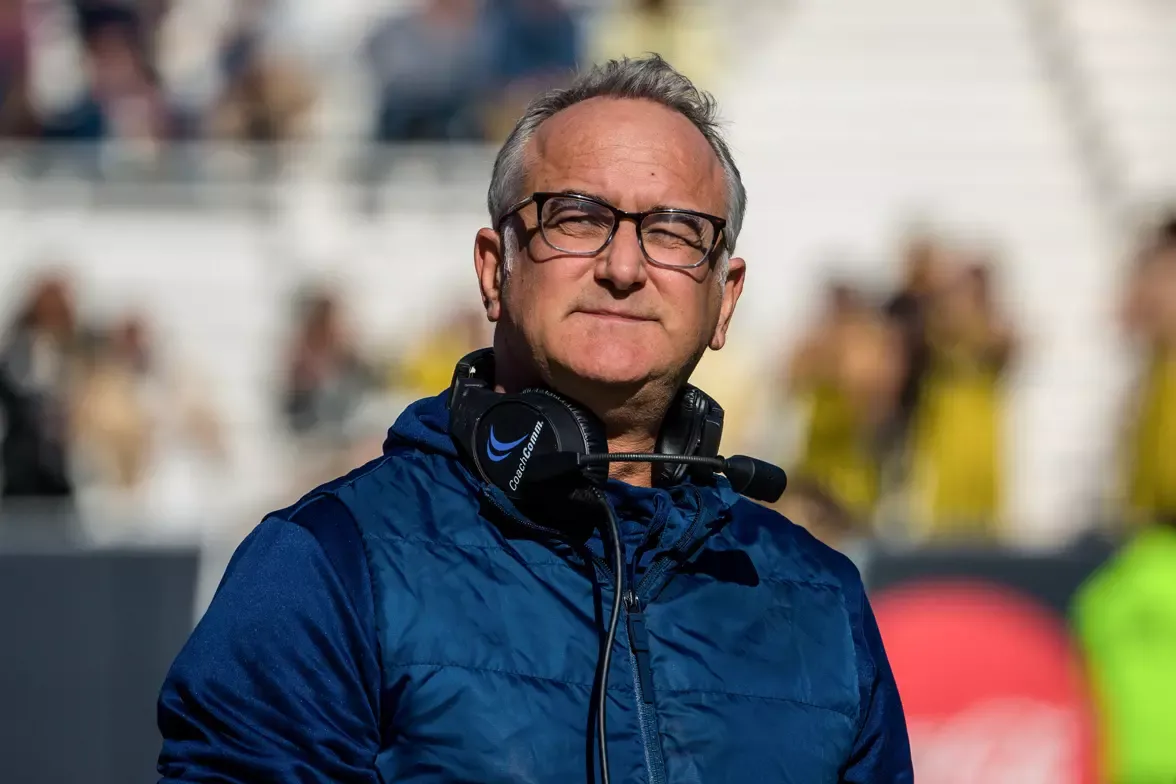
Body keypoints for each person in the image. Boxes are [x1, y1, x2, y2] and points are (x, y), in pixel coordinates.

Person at [156, 55, 913, 783]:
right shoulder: (322, 563)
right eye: (576, 219)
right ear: (495, 269)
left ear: (726, 297)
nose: (623, 268)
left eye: (675, 233)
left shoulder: (822, 603)